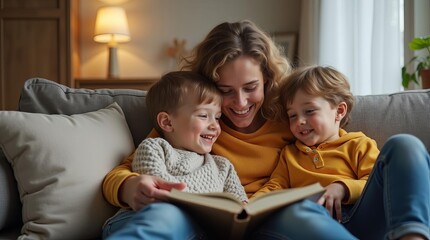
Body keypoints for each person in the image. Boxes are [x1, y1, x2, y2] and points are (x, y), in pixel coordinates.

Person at [102, 20, 358, 240]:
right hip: (195, 217)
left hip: (271, 219)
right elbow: (122, 171)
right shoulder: (194, 123)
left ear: (267, 80)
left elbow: (333, 145)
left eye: (250, 87)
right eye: (225, 91)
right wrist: (130, 186)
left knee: (302, 214)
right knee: (165, 216)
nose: (240, 102)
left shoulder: (291, 120)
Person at [254, 65, 430, 240]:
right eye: (292, 115)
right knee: (295, 210)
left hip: (361, 217)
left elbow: (378, 182)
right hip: (316, 224)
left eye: (309, 111)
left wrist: (344, 188)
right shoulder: (289, 154)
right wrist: (249, 207)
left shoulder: (357, 144)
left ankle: (411, 235)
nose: (299, 121)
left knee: (404, 144)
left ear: (339, 111)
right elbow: (274, 187)